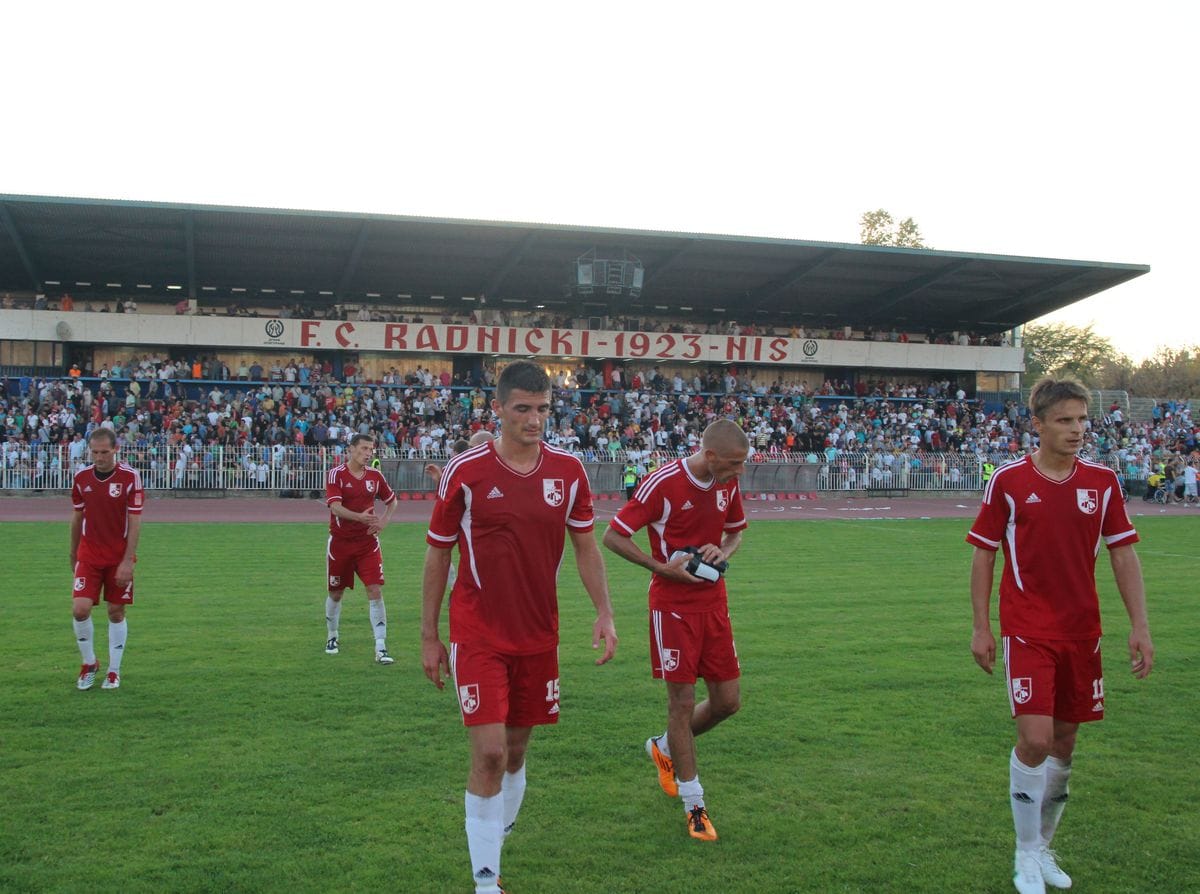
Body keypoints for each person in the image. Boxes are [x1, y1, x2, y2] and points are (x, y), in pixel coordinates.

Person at [421, 361, 617, 894]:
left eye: (543, 408)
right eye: (523, 409)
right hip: (477, 632)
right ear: (500, 409)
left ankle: (493, 849)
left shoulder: (568, 471)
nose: (535, 419)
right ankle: (486, 883)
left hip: (538, 636)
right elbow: (438, 555)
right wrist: (428, 636)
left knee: (516, 752)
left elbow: (584, 546)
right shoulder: (466, 471)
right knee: (488, 753)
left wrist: (604, 611)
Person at [967, 377, 1153, 894]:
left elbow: (1122, 553)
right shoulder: (1008, 481)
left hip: (1083, 634)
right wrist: (982, 628)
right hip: (1027, 631)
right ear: (1039, 424)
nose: (1077, 430)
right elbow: (984, 553)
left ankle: (1043, 846)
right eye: (1065, 420)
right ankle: (1025, 855)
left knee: (1065, 744)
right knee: (1035, 739)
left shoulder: (1103, 482)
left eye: (1082, 420)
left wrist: (1139, 626)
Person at [602, 418, 749, 842]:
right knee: (681, 703)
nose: (740, 472)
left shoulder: (726, 483)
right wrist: (660, 567)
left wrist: (722, 548)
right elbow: (613, 537)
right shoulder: (662, 484)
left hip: (714, 604)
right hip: (671, 609)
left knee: (728, 702)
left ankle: (663, 747)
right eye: (735, 464)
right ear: (710, 456)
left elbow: (737, 531)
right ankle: (695, 805)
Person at [70, 428, 144, 691]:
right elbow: (78, 518)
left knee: (116, 612)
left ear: (116, 450)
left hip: (117, 557)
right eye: (94, 452)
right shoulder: (81, 478)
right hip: (89, 555)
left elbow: (135, 522)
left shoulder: (130, 478)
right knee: (80, 609)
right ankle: (89, 663)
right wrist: (73, 554)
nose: (99, 457)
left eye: (104, 452)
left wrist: (127, 562)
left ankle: (114, 671)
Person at [324, 433, 399, 663]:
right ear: (351, 449)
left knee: (375, 590)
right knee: (336, 593)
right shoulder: (336, 474)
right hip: (340, 544)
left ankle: (381, 646)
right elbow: (335, 508)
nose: (368, 453)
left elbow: (392, 501)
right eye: (364, 448)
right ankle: (332, 635)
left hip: (367, 544)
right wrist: (360, 517)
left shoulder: (375, 476)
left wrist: (384, 521)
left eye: (371, 449)